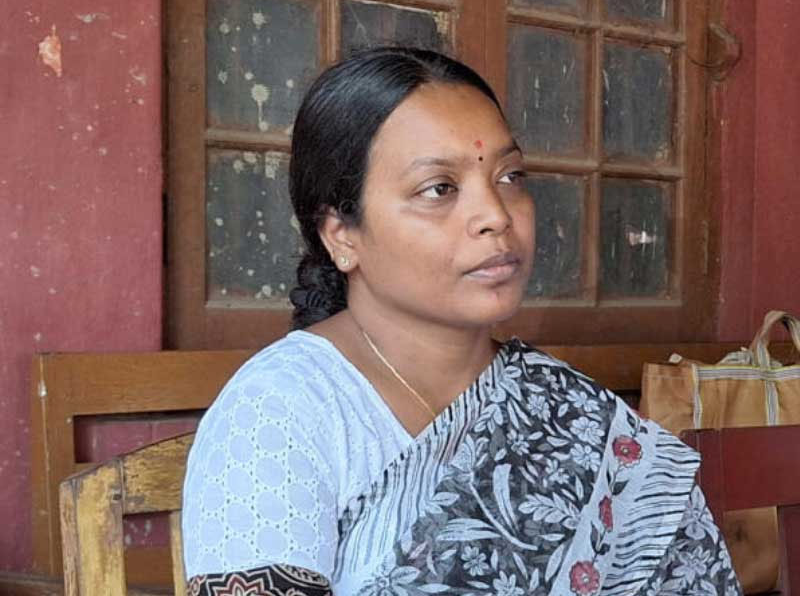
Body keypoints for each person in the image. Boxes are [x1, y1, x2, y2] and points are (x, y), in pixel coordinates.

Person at [181, 47, 741, 596]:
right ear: (341, 235)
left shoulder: (569, 411)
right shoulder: (280, 411)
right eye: (439, 189)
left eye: (510, 177)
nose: (495, 215)